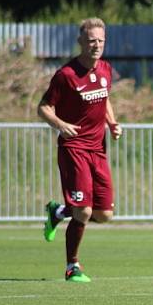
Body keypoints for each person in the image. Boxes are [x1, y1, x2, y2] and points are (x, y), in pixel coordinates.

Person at [38, 17, 122, 283]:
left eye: (100, 40)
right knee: (84, 211)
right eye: (91, 41)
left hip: (98, 149)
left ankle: (59, 212)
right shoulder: (66, 75)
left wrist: (112, 122)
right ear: (80, 42)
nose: (96, 45)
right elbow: (43, 107)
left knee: (104, 215)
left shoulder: (106, 69)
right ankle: (72, 266)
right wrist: (60, 124)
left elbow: (105, 97)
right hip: (73, 148)